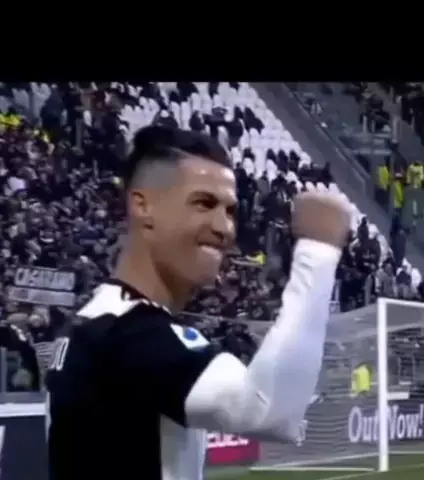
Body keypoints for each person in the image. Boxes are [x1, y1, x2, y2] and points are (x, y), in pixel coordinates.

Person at [45, 125, 350, 480]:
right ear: (143, 206)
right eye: (203, 203)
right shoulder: (128, 332)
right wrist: (318, 251)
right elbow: (267, 410)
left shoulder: (98, 319)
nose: (225, 228)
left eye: (230, 211)